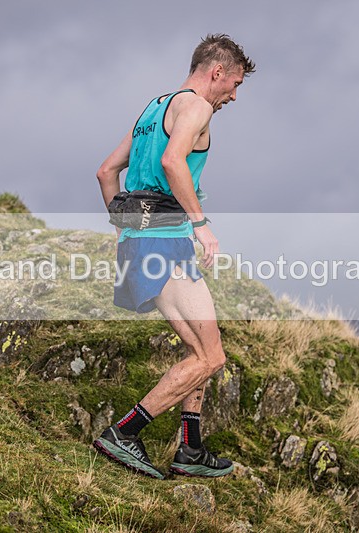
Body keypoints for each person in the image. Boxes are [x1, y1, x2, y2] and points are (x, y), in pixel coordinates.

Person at [93, 34, 255, 479]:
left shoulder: (153, 109)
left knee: (197, 348)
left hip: (142, 242)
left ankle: (190, 449)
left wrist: (126, 228)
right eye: (235, 84)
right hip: (165, 244)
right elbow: (173, 161)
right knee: (211, 357)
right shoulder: (197, 107)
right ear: (217, 72)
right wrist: (201, 225)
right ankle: (125, 432)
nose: (234, 96)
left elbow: (106, 172)